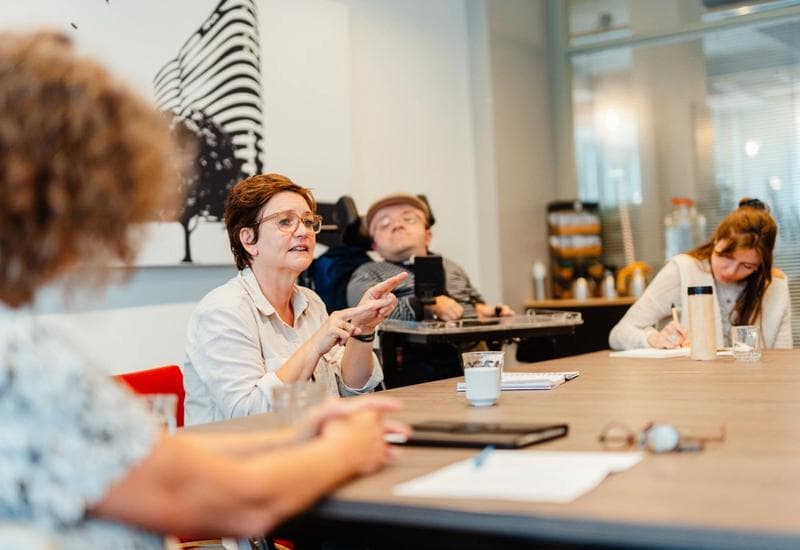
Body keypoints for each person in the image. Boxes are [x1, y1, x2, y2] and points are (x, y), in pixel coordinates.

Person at [0, 31, 410, 549]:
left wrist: (307, 433)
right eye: (286, 221)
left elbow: (158, 466)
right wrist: (345, 448)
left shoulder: (23, 351)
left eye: (306, 221)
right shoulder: (21, 360)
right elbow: (235, 499)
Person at [183, 174, 408, 425]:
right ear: (249, 239)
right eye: (285, 222)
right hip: (240, 457)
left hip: (308, 447)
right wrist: (314, 346)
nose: (304, 232)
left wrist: (364, 330)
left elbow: (351, 389)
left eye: (308, 221)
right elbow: (247, 416)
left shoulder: (311, 301)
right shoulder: (222, 312)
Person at [609, 198, 792, 350]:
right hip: (690, 386)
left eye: (747, 266)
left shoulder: (775, 285)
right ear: (717, 239)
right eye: (726, 256)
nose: (730, 271)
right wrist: (654, 339)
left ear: (761, 265)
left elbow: (782, 359)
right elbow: (619, 334)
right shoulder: (683, 270)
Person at [346, 193, 514, 321]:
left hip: (470, 354)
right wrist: (426, 305)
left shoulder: (452, 267)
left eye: (409, 219)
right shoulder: (367, 273)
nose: (397, 225)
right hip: (409, 359)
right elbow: (364, 314)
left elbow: (475, 304)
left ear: (428, 235)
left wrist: (483, 311)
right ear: (375, 246)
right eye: (384, 224)